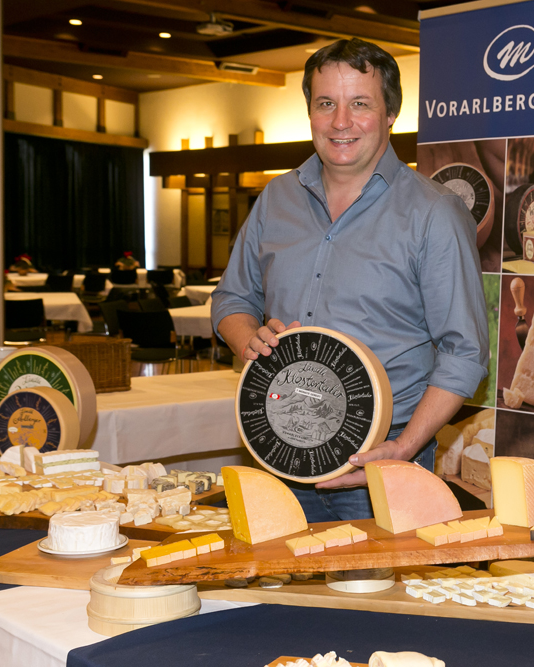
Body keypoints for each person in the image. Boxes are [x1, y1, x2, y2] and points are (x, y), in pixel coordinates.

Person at [211, 38, 488, 523]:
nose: (341, 122)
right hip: (278, 450)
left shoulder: (434, 213)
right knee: (279, 576)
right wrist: (245, 339)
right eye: (326, 104)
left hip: (383, 461)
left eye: (360, 103)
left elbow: (464, 353)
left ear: (390, 114)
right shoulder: (275, 199)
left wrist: (403, 448)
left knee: (376, 577)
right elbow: (232, 298)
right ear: (310, 113)